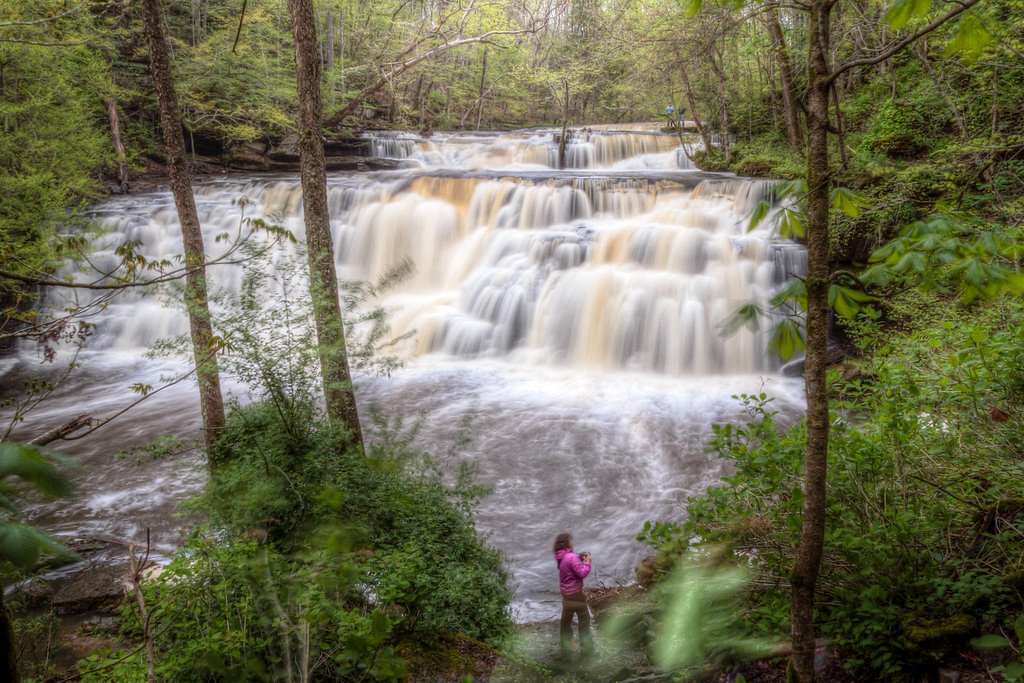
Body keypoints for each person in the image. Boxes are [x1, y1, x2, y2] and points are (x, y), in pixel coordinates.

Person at [553, 532, 592, 656]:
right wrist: (587, 563)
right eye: (571, 541)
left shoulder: (562, 558)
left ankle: (566, 649)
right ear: (567, 543)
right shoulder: (571, 557)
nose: (573, 543)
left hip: (566, 596)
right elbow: (582, 574)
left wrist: (578, 559)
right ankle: (587, 651)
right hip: (576, 595)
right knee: (584, 621)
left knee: (565, 623)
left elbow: (570, 569)